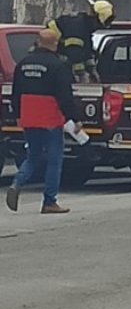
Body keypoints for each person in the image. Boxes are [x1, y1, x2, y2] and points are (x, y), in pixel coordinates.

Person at [6, 29, 83, 215]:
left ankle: (17, 183)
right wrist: (74, 119)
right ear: (55, 44)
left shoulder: (23, 64)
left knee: (32, 156)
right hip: (50, 119)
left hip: (29, 117)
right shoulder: (58, 65)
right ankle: (49, 201)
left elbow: (15, 93)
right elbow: (65, 97)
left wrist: (18, 114)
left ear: (38, 42)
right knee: (54, 160)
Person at [48, 0, 115, 82]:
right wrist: (81, 74)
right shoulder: (78, 27)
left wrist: (92, 69)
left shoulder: (85, 27)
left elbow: (87, 51)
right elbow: (74, 53)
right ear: (95, 18)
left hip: (58, 50)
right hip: (50, 52)